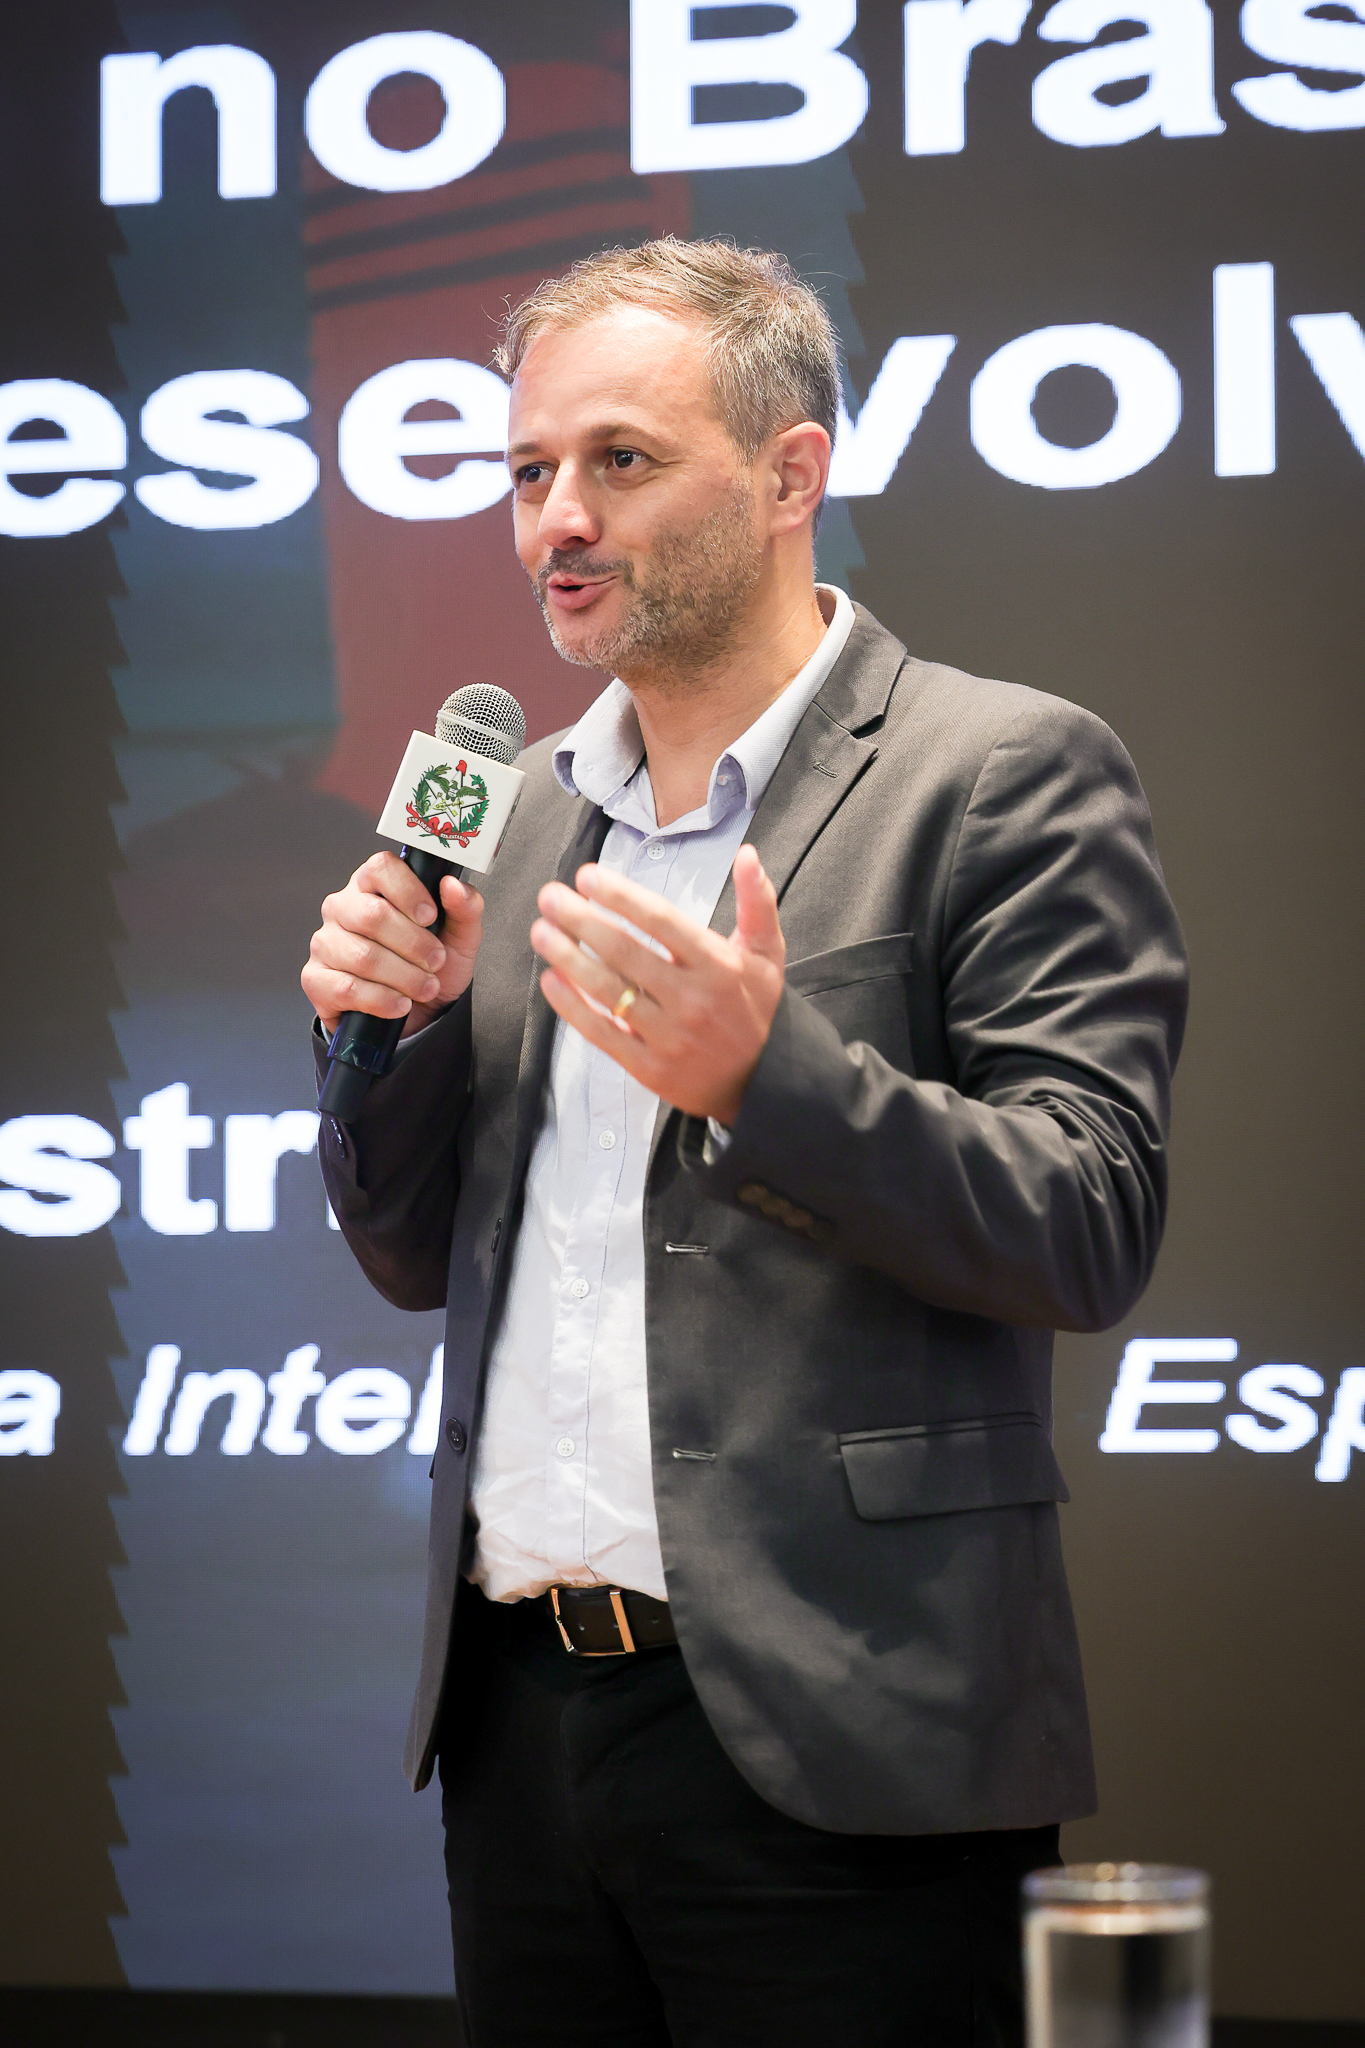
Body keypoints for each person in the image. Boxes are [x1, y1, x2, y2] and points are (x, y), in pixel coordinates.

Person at [302, 239, 1188, 2048]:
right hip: (519, 1725)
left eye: (619, 461)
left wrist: (764, 1077)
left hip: (846, 1727)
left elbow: (1086, 1217)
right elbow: (406, 1260)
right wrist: (388, 1040)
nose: (556, 518)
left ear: (793, 476)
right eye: (527, 470)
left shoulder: (997, 771)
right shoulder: (512, 814)